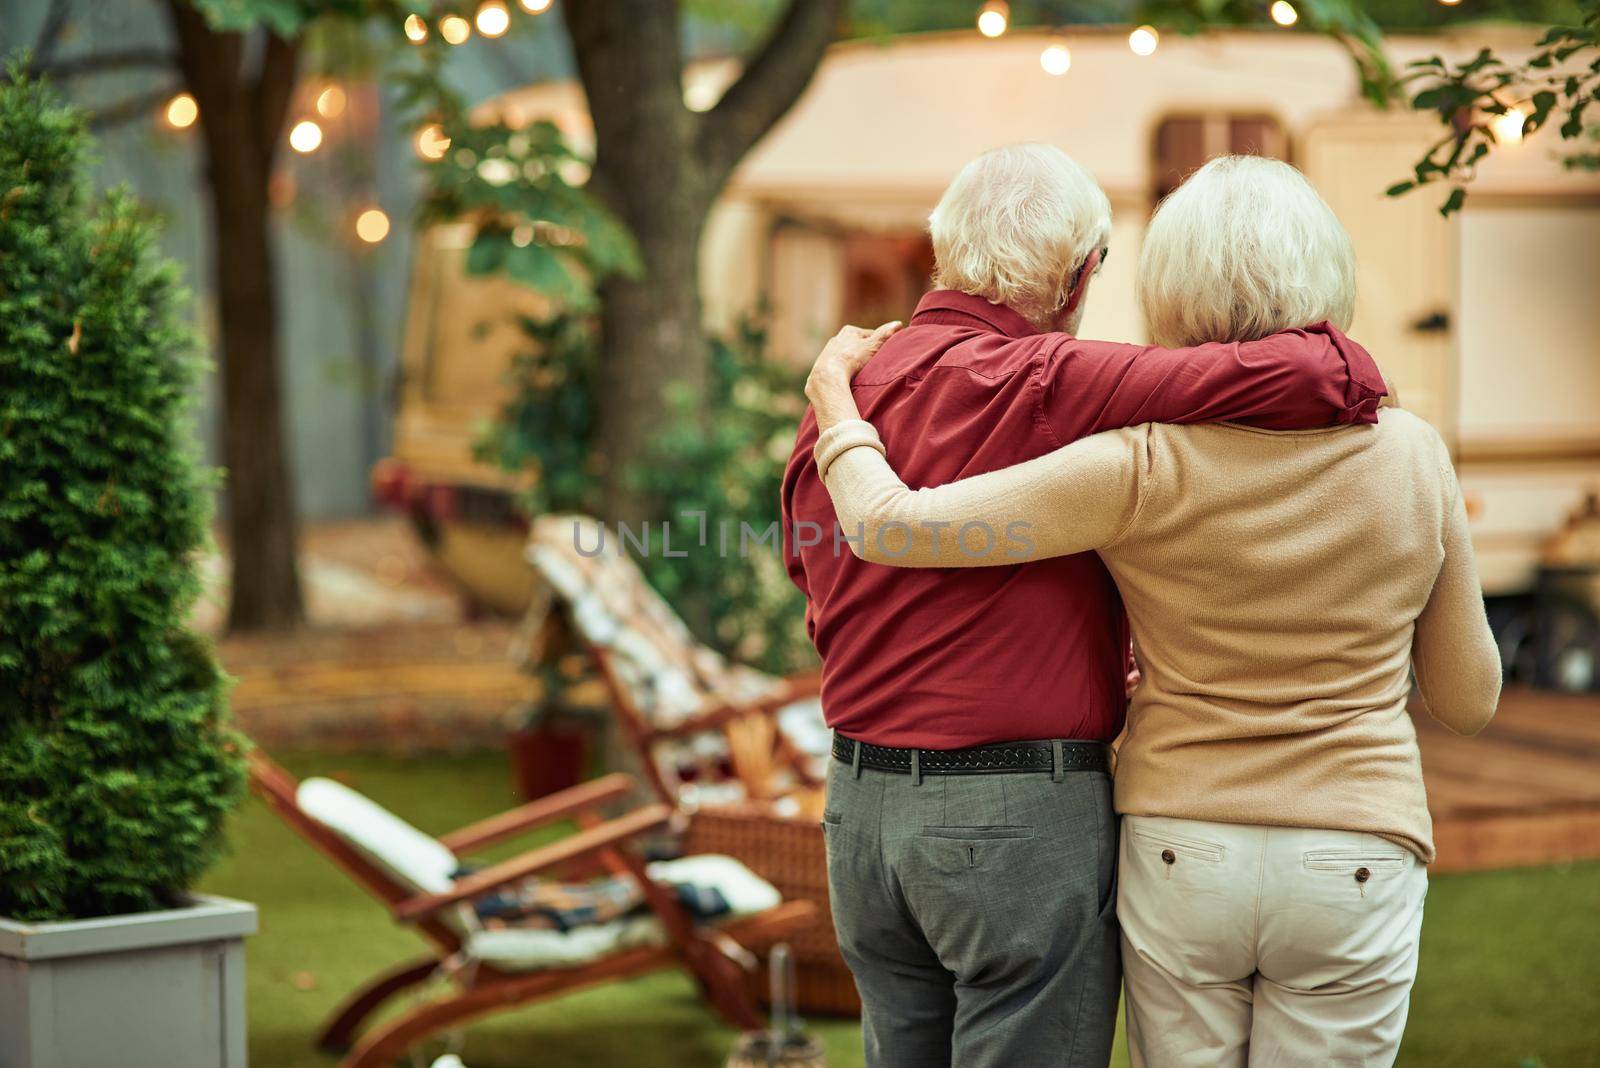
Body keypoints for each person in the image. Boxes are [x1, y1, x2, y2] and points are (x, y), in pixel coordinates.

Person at [803, 154, 1501, 1067]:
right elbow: (1469, 698)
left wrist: (831, 403)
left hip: (1173, 841)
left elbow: (867, 538)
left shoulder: (1135, 463)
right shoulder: (1413, 456)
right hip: (1355, 846)